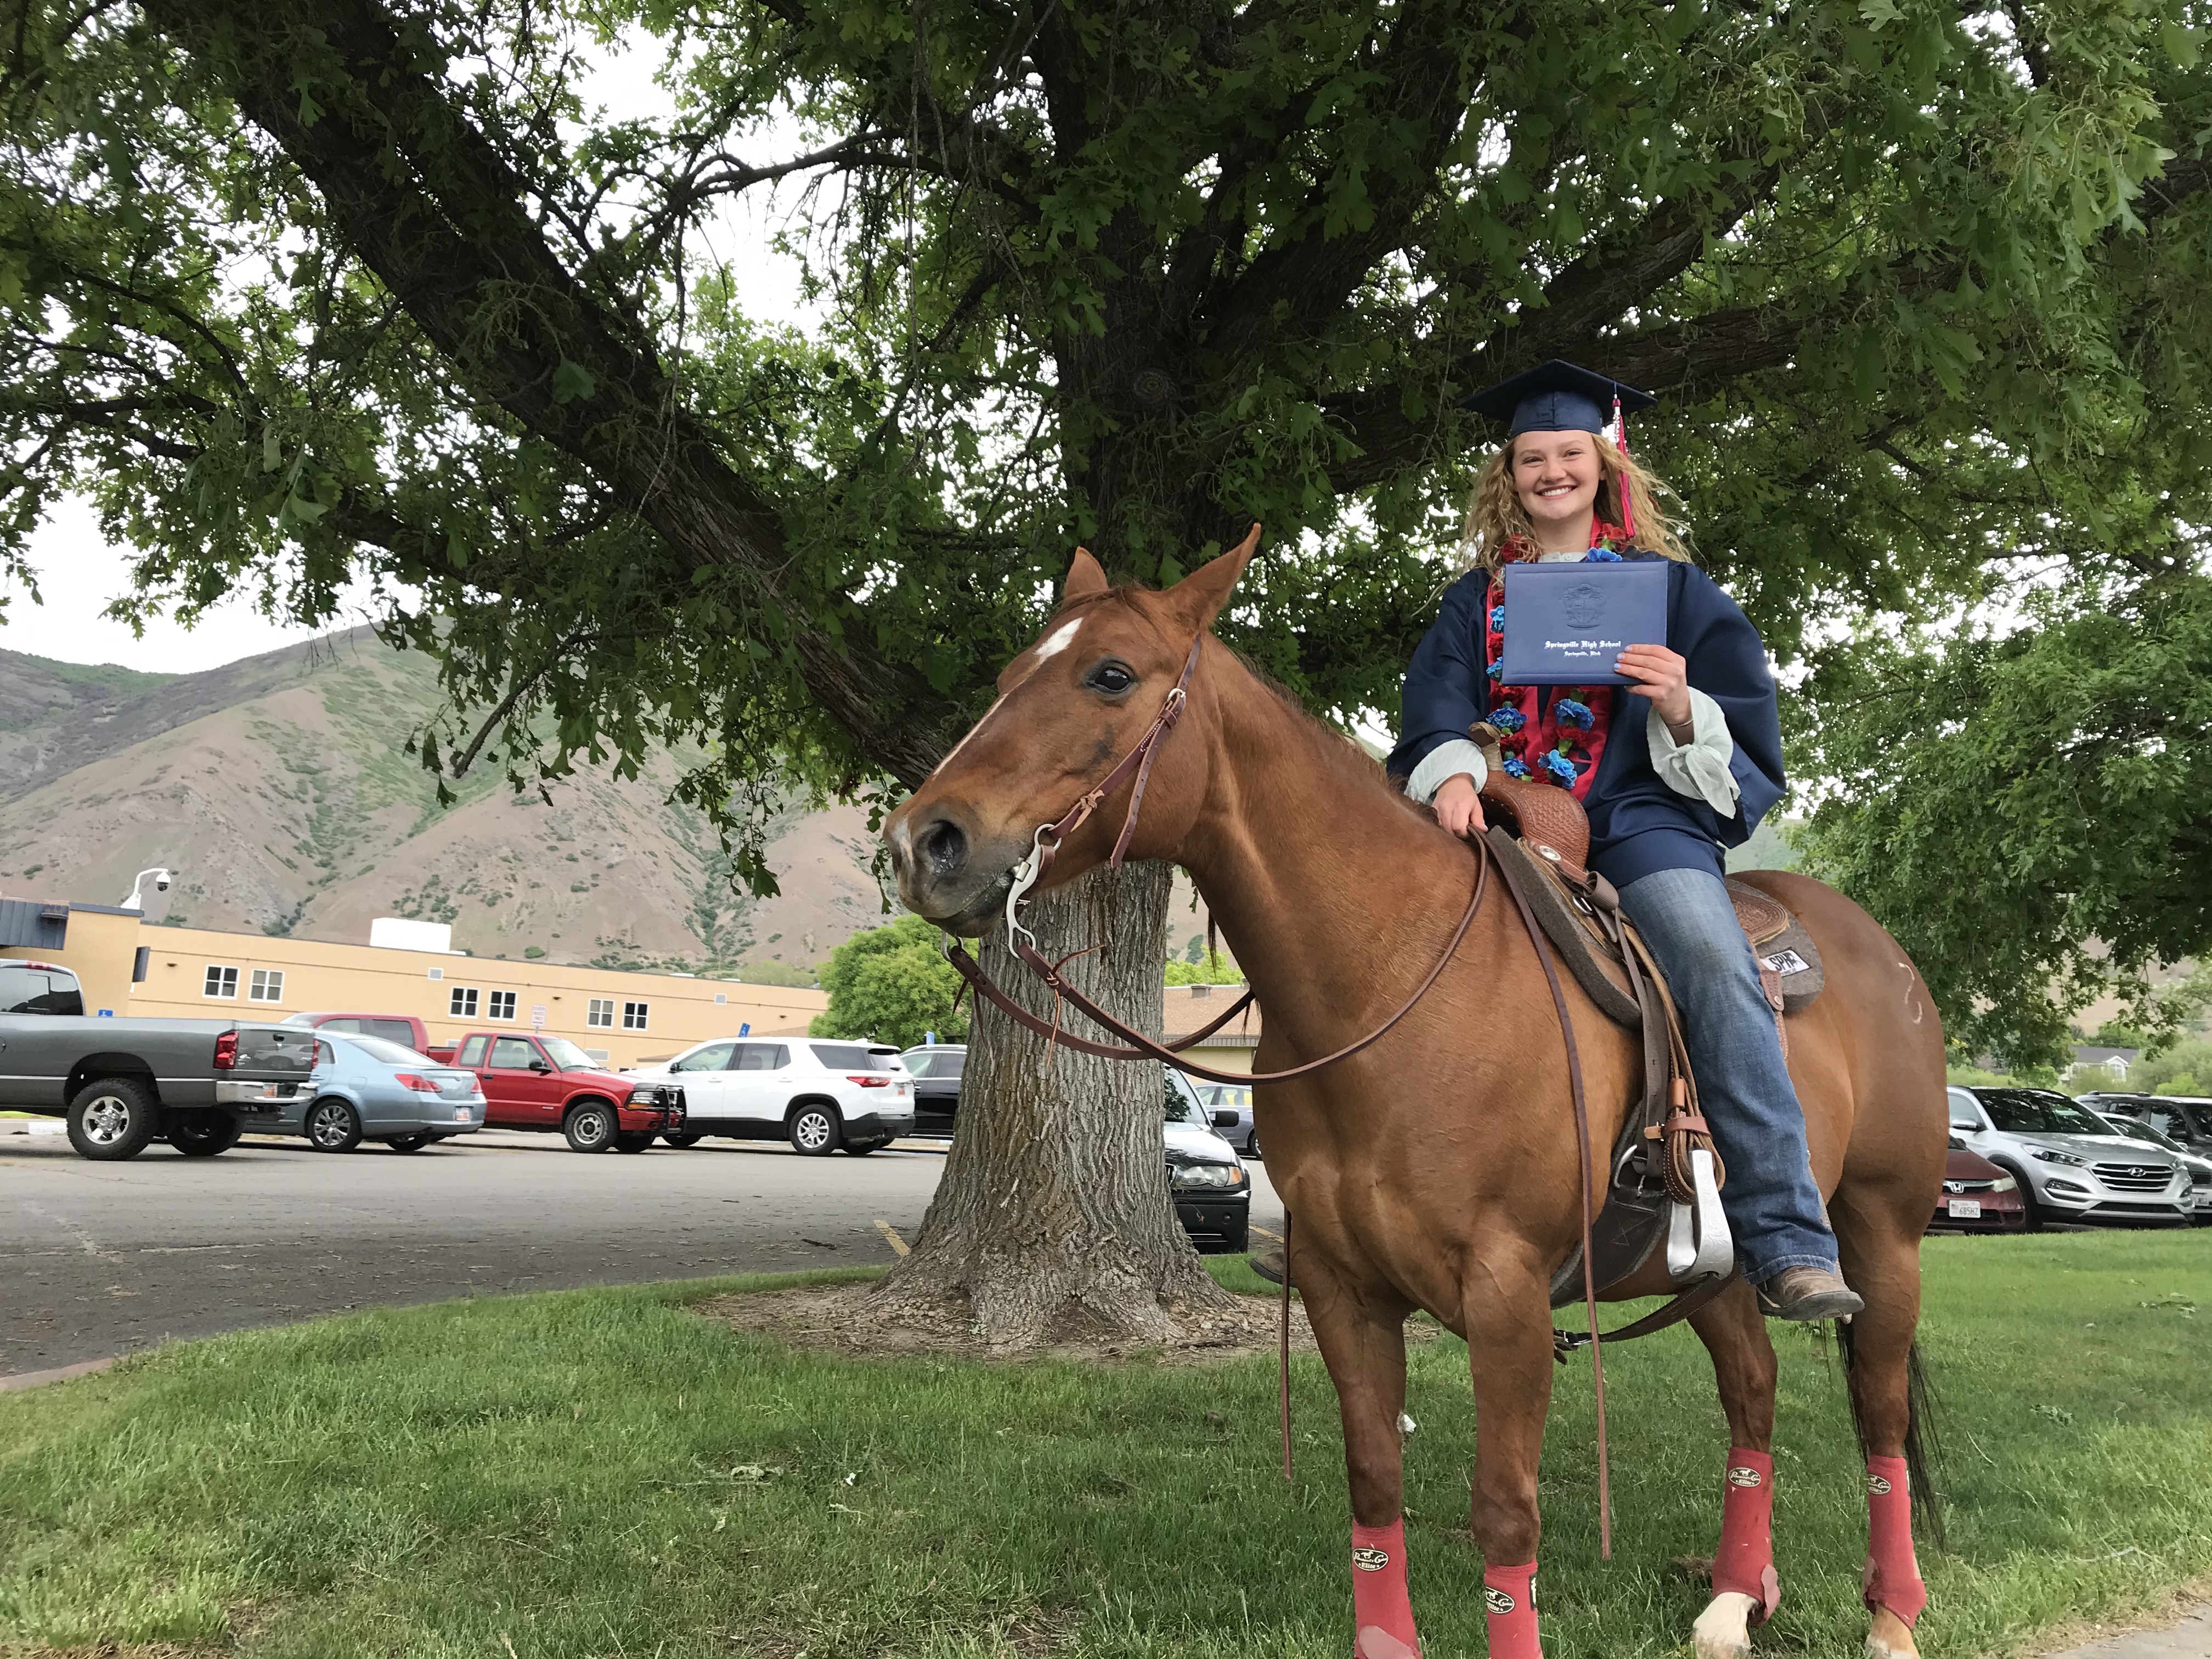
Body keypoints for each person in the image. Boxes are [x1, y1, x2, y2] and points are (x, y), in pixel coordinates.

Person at [1385, 359, 1860, 1323]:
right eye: (1531, 457)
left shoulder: (1672, 591)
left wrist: (1683, 701)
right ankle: (1347, 1210)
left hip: (1641, 820)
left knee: (1705, 953)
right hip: (1504, 816)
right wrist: (1453, 775)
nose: (1551, 471)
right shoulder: (1477, 599)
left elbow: (1741, 717)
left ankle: (1787, 1237)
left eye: (1570, 454)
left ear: (1604, 466)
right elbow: (1433, 708)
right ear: (1508, 475)